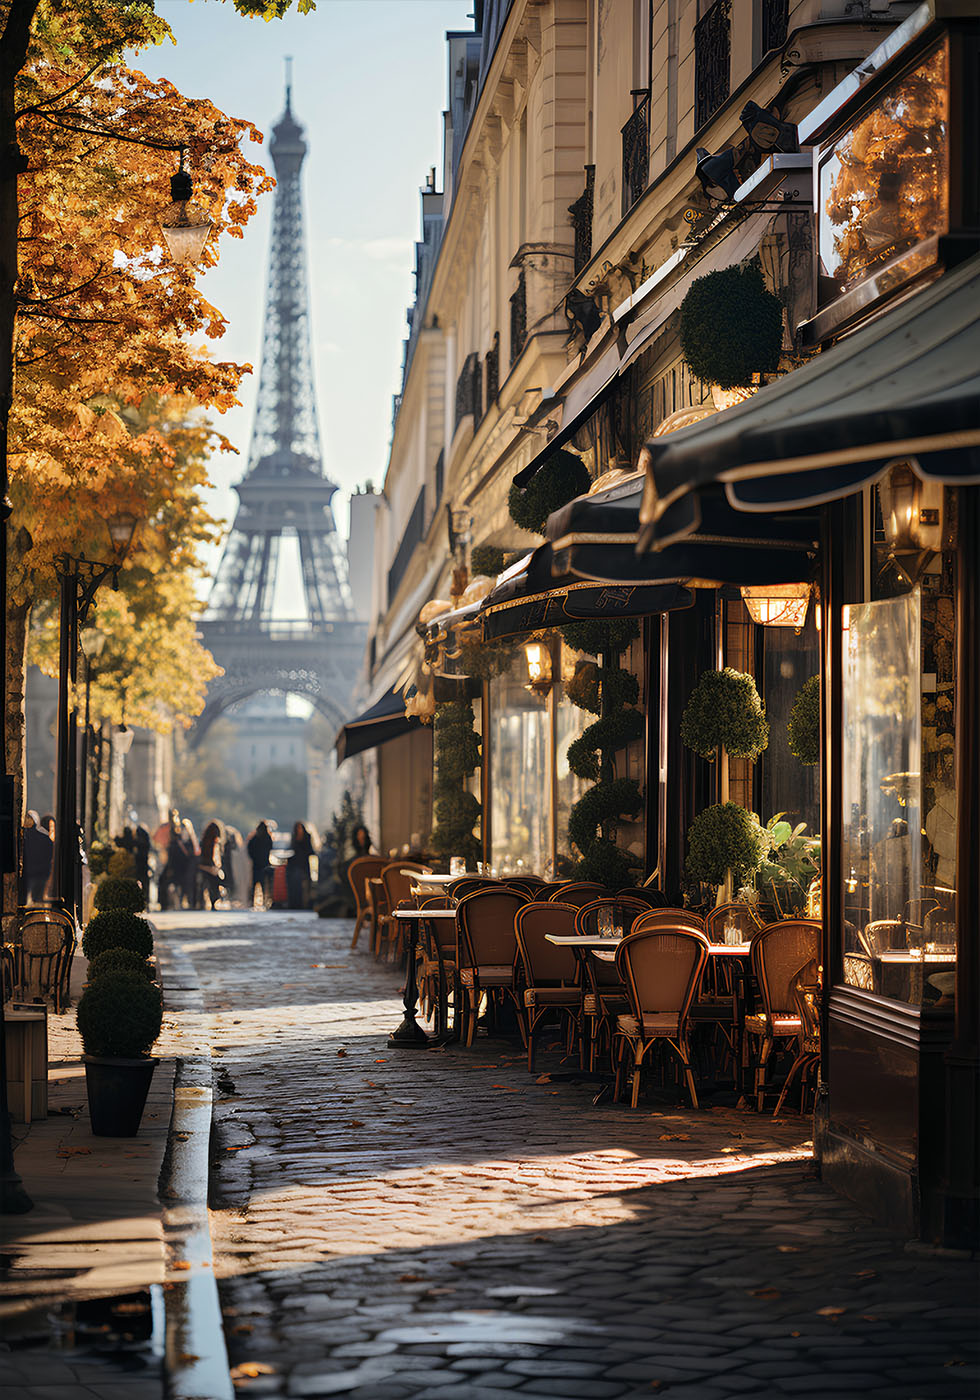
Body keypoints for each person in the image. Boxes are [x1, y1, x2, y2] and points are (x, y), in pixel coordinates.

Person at [21, 810, 53, 905]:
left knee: (27, 902)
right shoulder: (45, 837)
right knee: (37, 901)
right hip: (40, 874)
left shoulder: (23, 837)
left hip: (29, 874)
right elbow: (49, 856)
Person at [286, 821, 316, 910]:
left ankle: (305, 904)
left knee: (306, 887)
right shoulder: (294, 838)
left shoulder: (307, 838)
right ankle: (295, 904)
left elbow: (310, 850)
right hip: (295, 866)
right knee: (295, 886)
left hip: (303, 865)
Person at [198, 820, 224, 910]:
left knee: (207, 884)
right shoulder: (216, 842)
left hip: (203, 867)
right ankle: (214, 902)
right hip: (210, 868)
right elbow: (216, 858)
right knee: (214, 883)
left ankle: (203, 902)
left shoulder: (203, 842)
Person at [246, 820, 274, 909]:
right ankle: (265, 902)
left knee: (254, 886)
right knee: (265, 886)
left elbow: (249, 850)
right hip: (265, 865)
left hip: (255, 865)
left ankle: (251, 902)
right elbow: (270, 848)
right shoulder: (268, 838)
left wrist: (254, 858)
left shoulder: (253, 839)